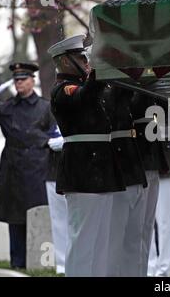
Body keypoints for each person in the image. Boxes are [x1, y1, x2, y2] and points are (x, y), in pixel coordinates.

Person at [48, 34, 125, 276]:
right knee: (83, 240)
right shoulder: (63, 90)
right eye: (81, 57)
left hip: (102, 168)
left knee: (101, 241)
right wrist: (100, 68)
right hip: (82, 171)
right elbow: (86, 95)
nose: (86, 60)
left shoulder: (89, 86)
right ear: (65, 61)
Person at [0, 62, 53, 269]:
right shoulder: (6, 106)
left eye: (23, 79)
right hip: (13, 168)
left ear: (32, 81)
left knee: (39, 214)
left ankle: (40, 262)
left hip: (38, 167)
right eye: (17, 80)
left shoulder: (45, 107)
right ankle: (17, 263)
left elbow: (54, 135)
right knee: (15, 218)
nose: (19, 83)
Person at [102, 84, 147, 276]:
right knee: (114, 238)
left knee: (135, 237)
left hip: (134, 169)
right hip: (118, 171)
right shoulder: (103, 91)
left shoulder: (127, 89)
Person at [130, 92, 168, 276]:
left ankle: (142, 271)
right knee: (135, 228)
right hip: (134, 158)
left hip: (151, 158)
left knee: (145, 226)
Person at [148, 141, 170, 277]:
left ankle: (163, 272)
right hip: (145, 162)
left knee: (165, 223)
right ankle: (149, 269)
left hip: (167, 163)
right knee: (145, 222)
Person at [45, 124, 67, 275]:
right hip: (54, 172)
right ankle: (62, 263)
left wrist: (66, 142)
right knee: (58, 221)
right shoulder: (46, 109)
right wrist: (46, 140)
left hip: (79, 172)